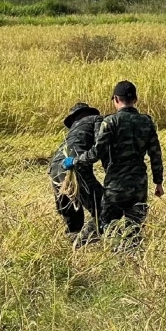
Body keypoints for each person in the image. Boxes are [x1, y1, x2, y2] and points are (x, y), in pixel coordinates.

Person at [66, 81, 164, 247]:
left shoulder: (110, 122)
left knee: (104, 225)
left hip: (116, 186)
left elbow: (96, 153)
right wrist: (158, 182)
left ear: (116, 99)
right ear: (136, 99)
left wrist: (75, 160)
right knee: (133, 229)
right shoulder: (147, 122)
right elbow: (155, 154)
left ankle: (78, 249)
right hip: (139, 185)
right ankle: (132, 261)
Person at [49, 102, 105, 241]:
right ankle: (85, 241)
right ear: (89, 113)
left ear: (74, 118)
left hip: (55, 169)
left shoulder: (72, 131)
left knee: (72, 219)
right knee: (105, 208)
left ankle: (73, 247)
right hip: (73, 167)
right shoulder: (95, 119)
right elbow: (101, 143)